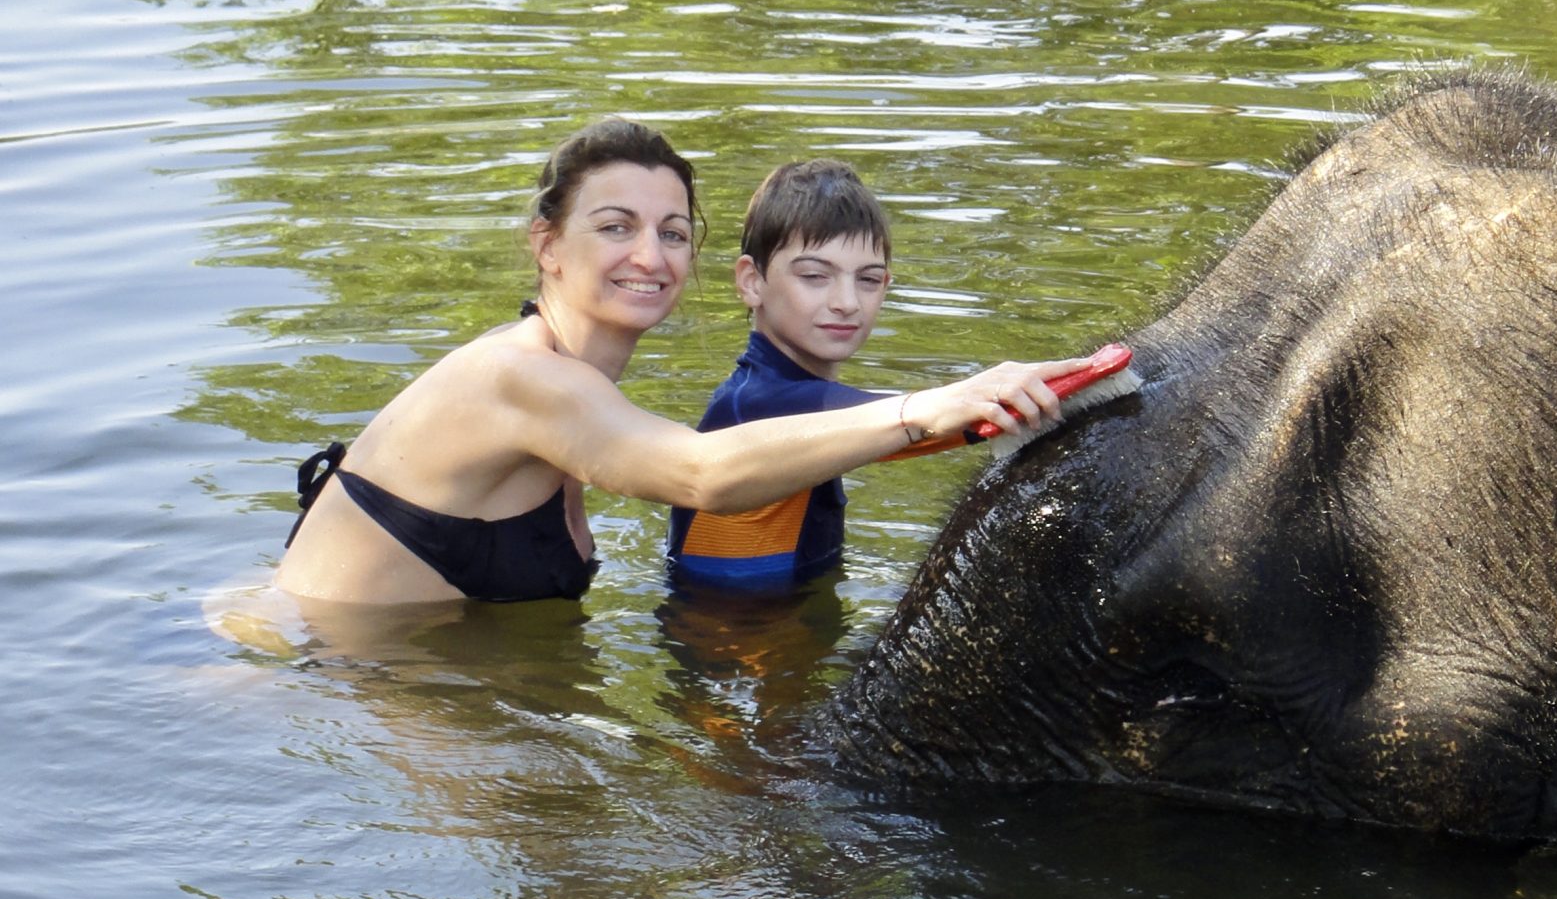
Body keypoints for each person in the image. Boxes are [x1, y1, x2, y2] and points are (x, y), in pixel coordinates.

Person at [273, 117, 1088, 605]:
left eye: (671, 232)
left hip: (382, 679)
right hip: (304, 680)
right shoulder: (516, 377)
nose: (650, 254)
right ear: (548, 246)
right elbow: (700, 474)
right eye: (616, 226)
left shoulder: (576, 387)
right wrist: (927, 405)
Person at [666, 158, 900, 589]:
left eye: (867, 280)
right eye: (815, 276)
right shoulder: (758, 403)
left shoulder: (790, 394)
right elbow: (920, 422)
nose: (847, 301)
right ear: (751, 282)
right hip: (736, 637)